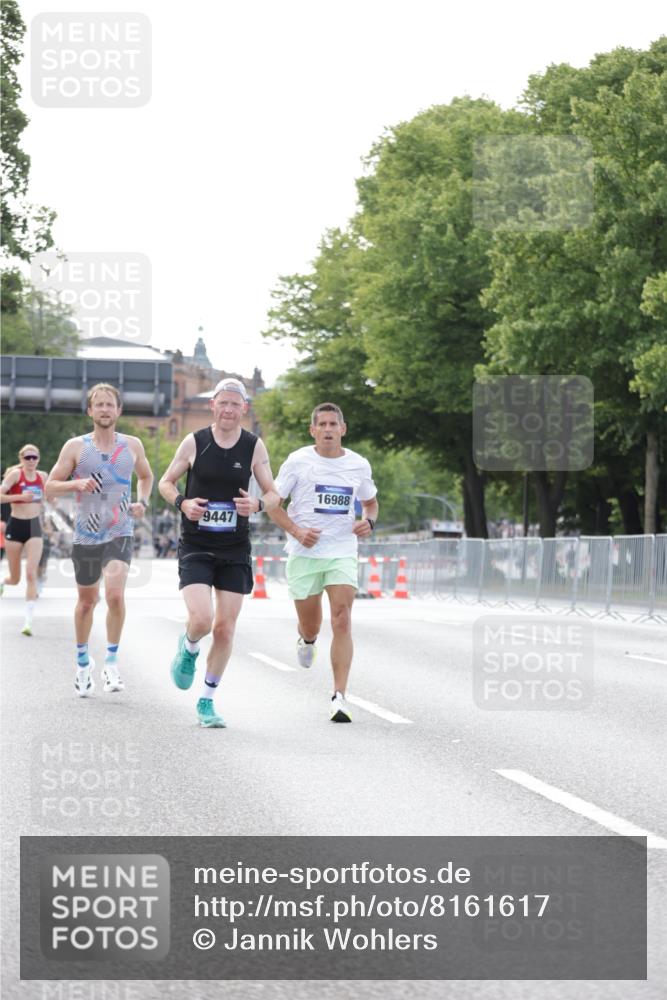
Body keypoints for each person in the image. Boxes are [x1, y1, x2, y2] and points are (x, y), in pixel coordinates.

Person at [159, 377, 280, 728]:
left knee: (225, 630)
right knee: (202, 620)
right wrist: (183, 503)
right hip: (197, 544)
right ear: (213, 405)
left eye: (235, 404)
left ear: (244, 408)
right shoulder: (195, 441)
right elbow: (167, 483)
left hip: (235, 547)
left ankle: (207, 702)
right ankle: (190, 647)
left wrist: (257, 504)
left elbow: (274, 495)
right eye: (222, 403)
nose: (228, 409)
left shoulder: (254, 446)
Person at [269, 402, 378, 722]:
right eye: (323, 425)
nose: (328, 429)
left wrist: (369, 522)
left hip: (342, 550)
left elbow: (370, 504)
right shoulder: (298, 461)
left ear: (343, 429)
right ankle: (307, 638)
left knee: (342, 618)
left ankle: (339, 696)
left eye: (334, 424)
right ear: (313, 430)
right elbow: (273, 503)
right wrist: (297, 531)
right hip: (304, 553)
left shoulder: (358, 465)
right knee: (311, 624)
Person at [45, 383, 153, 697]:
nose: (105, 410)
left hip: (120, 531)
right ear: (90, 411)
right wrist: (76, 483)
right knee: (87, 602)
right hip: (86, 534)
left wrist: (142, 502)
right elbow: (50, 486)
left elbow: (146, 476)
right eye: (99, 405)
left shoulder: (132, 445)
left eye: (110, 405)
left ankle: (112, 662)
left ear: (118, 411)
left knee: (116, 596)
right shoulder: (75, 448)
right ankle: (82, 663)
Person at [0, 444, 48, 634]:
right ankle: (4, 583)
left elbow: (51, 495)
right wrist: (20, 496)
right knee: (15, 578)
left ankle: (28, 622)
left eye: (34, 457)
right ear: (21, 459)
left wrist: (51, 498)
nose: (31, 461)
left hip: (34, 526)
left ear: (38, 459)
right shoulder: (15, 475)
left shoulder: (43, 477)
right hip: (16, 525)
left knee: (31, 574)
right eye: (27, 457)